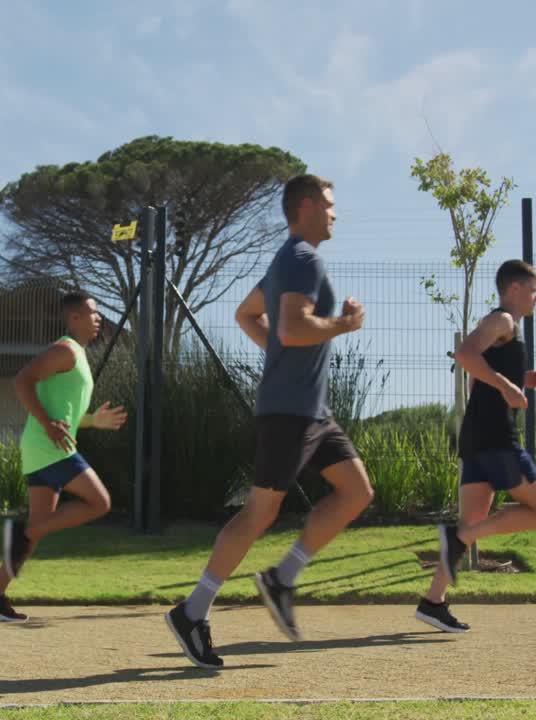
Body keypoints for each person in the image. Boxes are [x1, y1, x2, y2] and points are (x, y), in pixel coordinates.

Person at [165, 174, 374, 669]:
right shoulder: (302, 258)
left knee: (357, 491)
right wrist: (343, 324)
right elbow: (293, 327)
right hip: (289, 412)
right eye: (329, 204)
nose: (335, 213)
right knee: (259, 513)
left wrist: (281, 352)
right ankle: (192, 611)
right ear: (306, 207)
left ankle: (282, 578)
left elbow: (247, 315)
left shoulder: (287, 259)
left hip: (313, 412)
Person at [0, 292, 127, 623]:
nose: (98, 318)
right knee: (100, 502)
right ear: (74, 318)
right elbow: (22, 380)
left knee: (37, 529)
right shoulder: (65, 350)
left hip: (41, 449)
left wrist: (93, 421)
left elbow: (67, 415)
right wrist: (47, 424)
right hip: (50, 448)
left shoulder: (78, 355)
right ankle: (22, 533)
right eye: (93, 313)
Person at [416, 259, 536, 633]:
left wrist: (520, 379)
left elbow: (478, 375)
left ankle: (433, 602)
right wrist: (508, 387)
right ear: (514, 289)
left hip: (476, 435)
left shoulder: (501, 327)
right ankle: (457, 538)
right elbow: (464, 355)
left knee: (472, 522)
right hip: (495, 437)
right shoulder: (503, 321)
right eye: (533, 291)